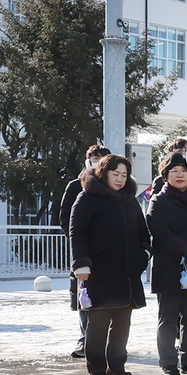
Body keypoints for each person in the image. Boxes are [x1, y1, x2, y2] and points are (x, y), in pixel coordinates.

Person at [69, 154, 151, 375]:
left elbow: (142, 230)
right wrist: (81, 264)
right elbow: (78, 232)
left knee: (123, 322)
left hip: (126, 272)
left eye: (124, 175)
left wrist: (145, 252)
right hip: (99, 271)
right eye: (116, 174)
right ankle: (96, 367)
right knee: (98, 323)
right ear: (103, 173)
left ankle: (117, 365)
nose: (120, 179)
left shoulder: (129, 199)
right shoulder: (87, 197)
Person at [146, 153, 187, 375]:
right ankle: (168, 362)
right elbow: (159, 231)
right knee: (168, 319)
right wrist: (184, 248)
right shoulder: (158, 200)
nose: (180, 174)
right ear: (166, 176)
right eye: (174, 170)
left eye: (184, 170)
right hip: (169, 268)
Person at [60, 143, 111, 359]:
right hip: (85, 253)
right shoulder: (75, 186)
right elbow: (66, 219)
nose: (98, 163)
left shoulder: (116, 185)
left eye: (102, 159)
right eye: (94, 159)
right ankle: (86, 340)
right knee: (84, 297)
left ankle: (109, 342)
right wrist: (79, 245)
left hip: (110, 254)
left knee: (110, 298)